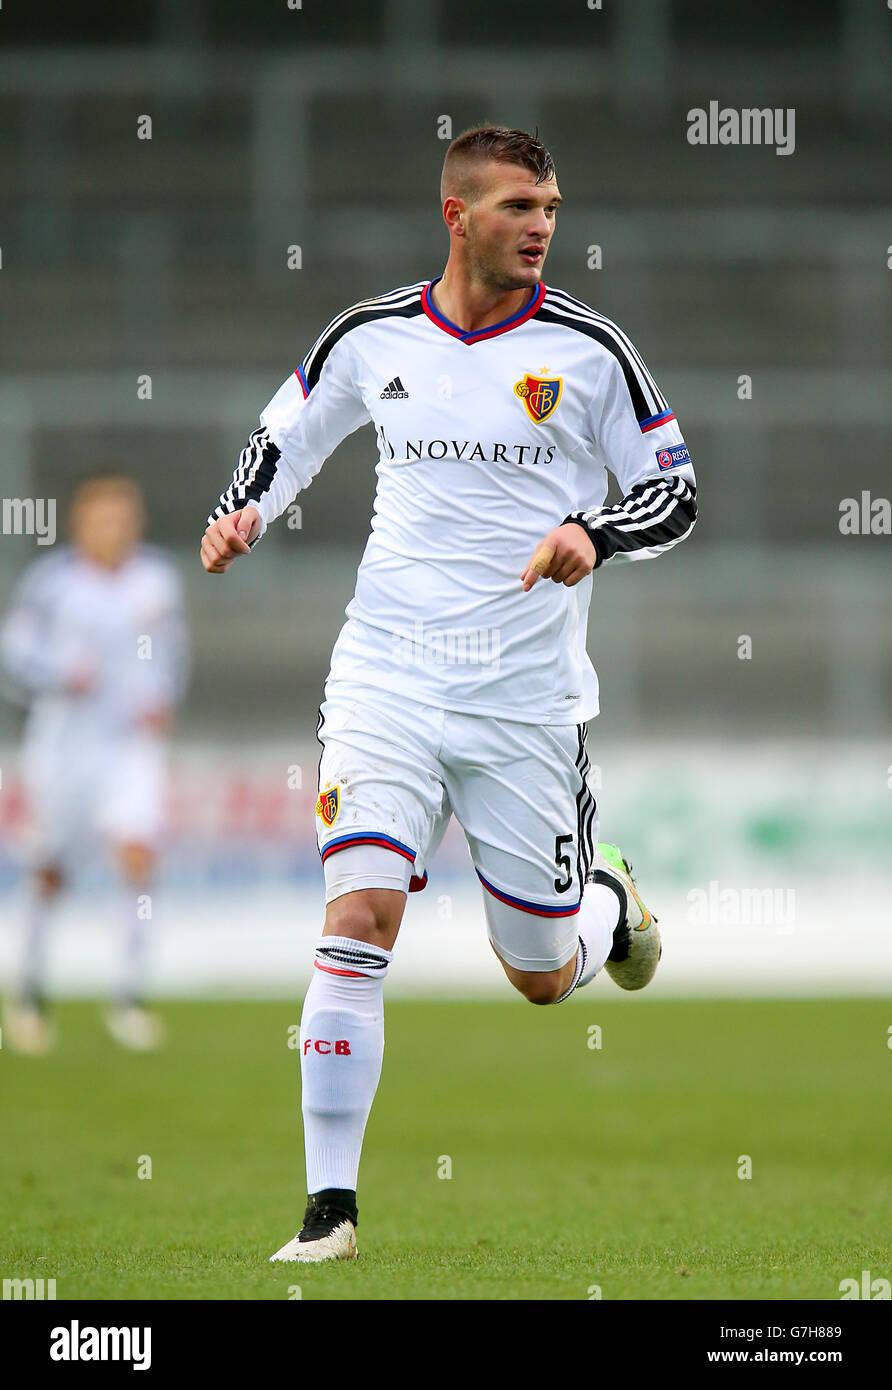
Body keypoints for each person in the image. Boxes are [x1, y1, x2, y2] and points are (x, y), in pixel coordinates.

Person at [201, 127, 697, 1261]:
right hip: (386, 672)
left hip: (525, 700)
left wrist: (593, 530)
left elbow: (676, 491)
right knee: (358, 917)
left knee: (535, 975)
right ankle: (330, 1211)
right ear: (456, 214)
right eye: (521, 204)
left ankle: (608, 906)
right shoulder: (375, 335)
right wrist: (244, 512)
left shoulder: (591, 351)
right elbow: (288, 434)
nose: (542, 226)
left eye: (553, 207)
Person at [2, 473, 188, 1053]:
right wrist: (60, 673)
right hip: (64, 745)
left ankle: (128, 997)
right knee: (50, 869)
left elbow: (172, 649)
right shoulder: (52, 584)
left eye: (124, 516)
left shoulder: (158, 580)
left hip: (128, 745)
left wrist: (163, 697)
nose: (115, 527)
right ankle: (29, 993)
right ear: (81, 522)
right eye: (103, 516)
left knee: (138, 855)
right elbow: (15, 650)